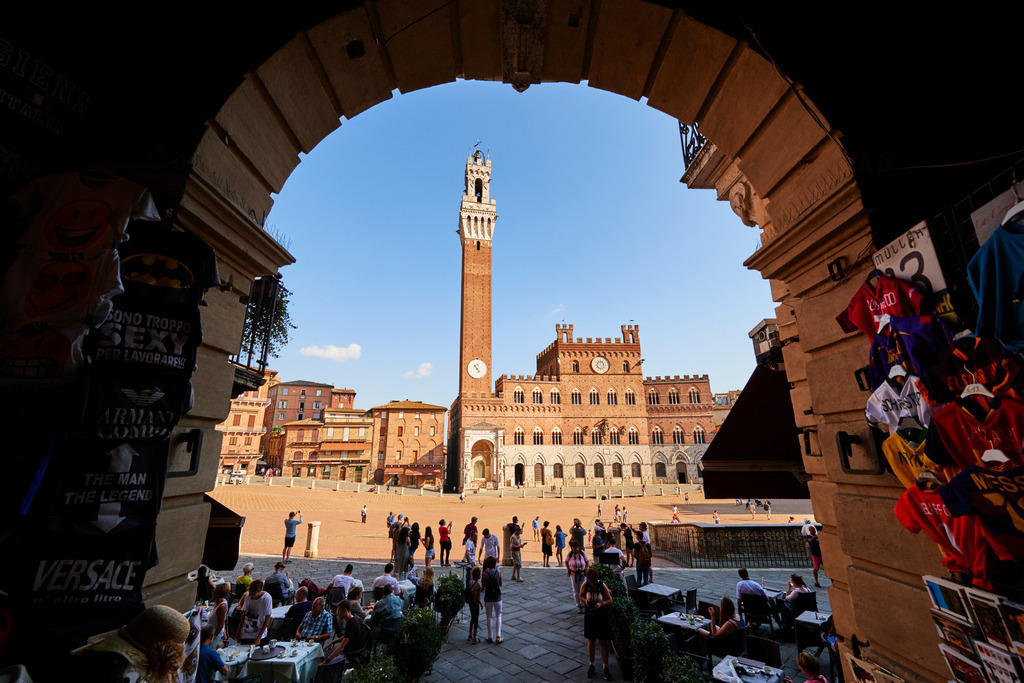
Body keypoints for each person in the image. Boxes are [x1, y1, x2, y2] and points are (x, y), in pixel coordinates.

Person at [580, 567, 614, 680]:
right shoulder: (585, 585)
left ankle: (605, 667)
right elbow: (580, 596)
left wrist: (600, 604)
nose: (593, 582)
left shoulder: (601, 585)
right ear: (588, 579)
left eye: (594, 580)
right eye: (591, 580)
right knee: (591, 641)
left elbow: (610, 600)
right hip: (590, 615)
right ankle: (592, 665)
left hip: (601, 615)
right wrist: (586, 602)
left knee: (603, 641)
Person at [322, 600, 365, 669]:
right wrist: (333, 642)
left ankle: (333, 678)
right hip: (347, 651)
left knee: (327, 663)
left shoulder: (351, 623)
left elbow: (341, 647)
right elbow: (346, 636)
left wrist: (326, 662)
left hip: (350, 655)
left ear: (345, 610)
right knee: (323, 655)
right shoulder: (351, 620)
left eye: (339, 611)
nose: (337, 614)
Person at [235, 580, 273, 645]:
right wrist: (238, 631)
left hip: (258, 632)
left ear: (260, 591)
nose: (251, 596)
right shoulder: (247, 596)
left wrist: (258, 638)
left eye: (253, 594)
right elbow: (244, 614)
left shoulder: (266, 598)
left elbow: (267, 618)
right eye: (250, 593)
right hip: (246, 632)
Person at [481, 556, 503, 643]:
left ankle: (490, 637)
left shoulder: (484, 574)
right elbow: (500, 584)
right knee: (498, 616)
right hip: (497, 596)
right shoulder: (499, 572)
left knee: (489, 617)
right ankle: (498, 636)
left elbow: (483, 586)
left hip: (488, 597)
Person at [566, 540, 590, 613]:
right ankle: (578, 605)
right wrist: (568, 569)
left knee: (583, 589)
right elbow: (566, 561)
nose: (575, 548)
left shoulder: (582, 553)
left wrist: (585, 569)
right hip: (574, 574)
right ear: (572, 547)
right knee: (576, 590)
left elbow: (587, 561)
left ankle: (584, 604)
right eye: (573, 547)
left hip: (582, 574)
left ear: (578, 547)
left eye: (576, 547)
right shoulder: (570, 554)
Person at [466, 566, 483, 644]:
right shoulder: (477, 585)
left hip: (470, 604)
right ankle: (474, 638)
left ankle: (470, 635)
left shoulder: (471, 583)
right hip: (475, 604)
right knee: (476, 620)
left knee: (472, 619)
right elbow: (476, 597)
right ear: (479, 576)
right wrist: (480, 603)